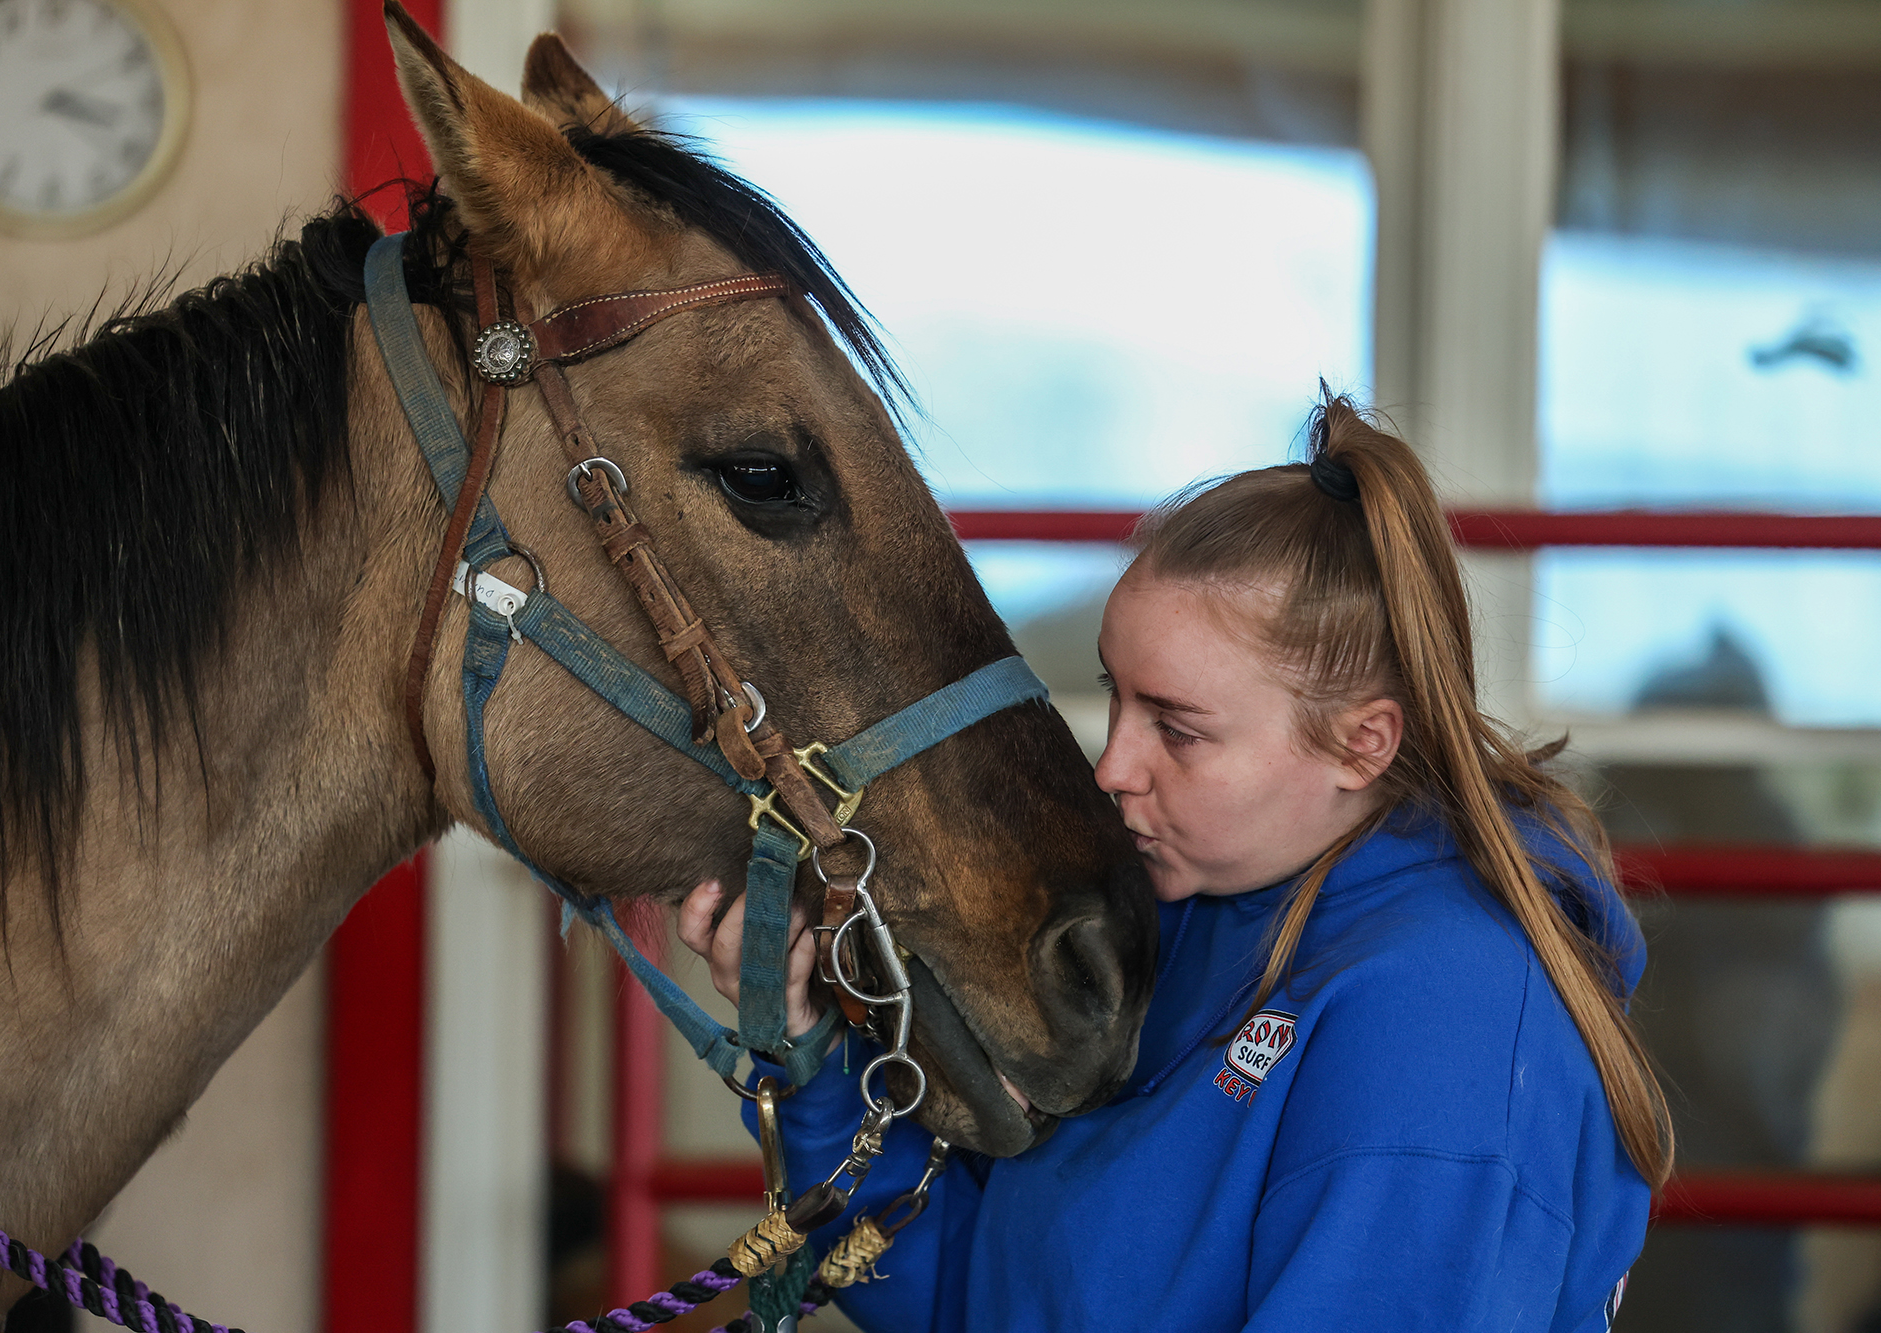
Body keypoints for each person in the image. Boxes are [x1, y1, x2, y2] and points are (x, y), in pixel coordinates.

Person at [677, 395, 1672, 1332]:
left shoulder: (1441, 1012)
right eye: (1117, 698)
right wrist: (809, 1049)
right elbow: (976, 1296)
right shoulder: (1188, 911)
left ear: (1361, 744)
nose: (1111, 766)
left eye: (1179, 730)